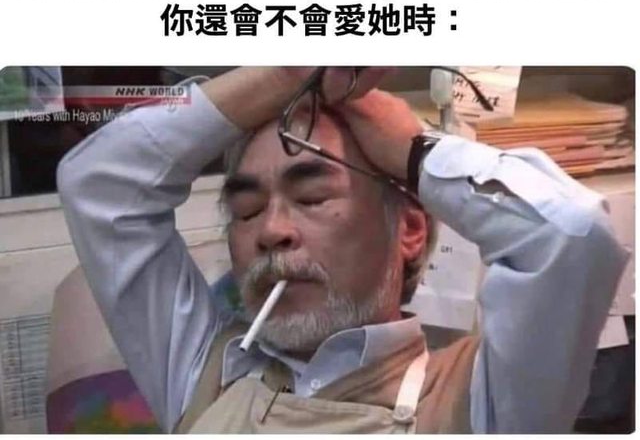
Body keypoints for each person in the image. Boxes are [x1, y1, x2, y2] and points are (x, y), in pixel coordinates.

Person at [57, 67, 628, 434]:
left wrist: (413, 149)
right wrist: (290, 70)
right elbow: (99, 184)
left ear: (410, 230)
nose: (271, 231)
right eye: (247, 210)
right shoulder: (201, 369)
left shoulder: (483, 401)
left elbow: (572, 237)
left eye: (312, 197)